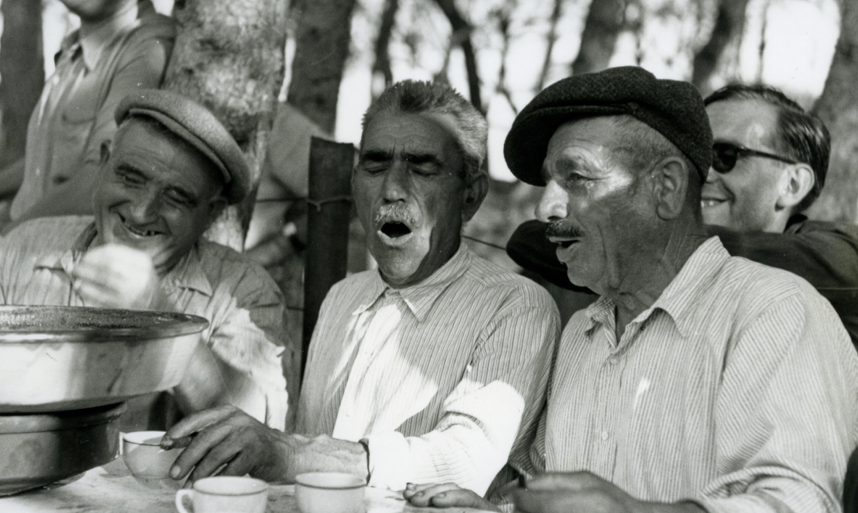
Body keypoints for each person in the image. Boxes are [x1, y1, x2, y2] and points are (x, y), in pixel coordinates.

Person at [406, 66, 858, 513]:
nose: (547, 207)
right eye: (548, 182)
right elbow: (556, 493)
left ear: (666, 188)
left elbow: (800, 501)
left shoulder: (775, 311)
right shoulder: (584, 331)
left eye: (577, 177)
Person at [158, 80, 559, 496]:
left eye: (422, 168)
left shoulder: (515, 306)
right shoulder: (342, 297)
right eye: (375, 165)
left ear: (470, 196)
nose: (392, 189)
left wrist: (293, 454)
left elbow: (463, 462)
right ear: (354, 184)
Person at [0, 89, 291, 430]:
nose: (140, 212)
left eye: (175, 197)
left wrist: (158, 312)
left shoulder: (244, 292)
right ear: (105, 160)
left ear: (211, 214)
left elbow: (252, 433)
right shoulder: (21, 247)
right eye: (131, 178)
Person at [508, 84, 858, 346]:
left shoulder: (843, 258)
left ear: (793, 184)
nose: (700, 173)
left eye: (725, 155)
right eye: (694, 154)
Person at [0, 0, 175, 231]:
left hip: (62, 248)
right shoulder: (76, 45)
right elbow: (48, 158)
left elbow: (103, 180)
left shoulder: (146, 46)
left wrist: (7, 238)